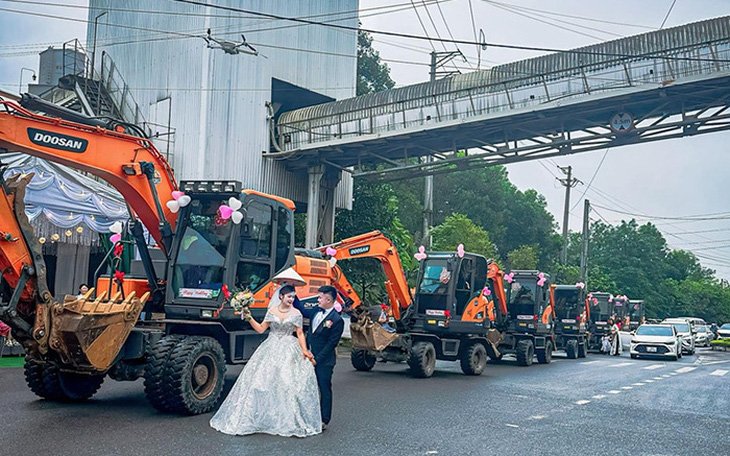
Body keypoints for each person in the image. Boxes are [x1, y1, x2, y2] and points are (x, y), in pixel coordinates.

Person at [210, 285, 321, 437]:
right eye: (289, 296)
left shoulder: (297, 313)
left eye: (293, 297)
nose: (291, 299)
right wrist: (249, 317)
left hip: (289, 347)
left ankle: (284, 418)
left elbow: (300, 333)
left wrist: (304, 350)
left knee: (286, 383)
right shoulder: (272, 311)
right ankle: (258, 416)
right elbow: (261, 329)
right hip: (271, 346)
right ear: (281, 296)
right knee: (261, 382)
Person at [293, 285, 345, 431]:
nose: (318, 299)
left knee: (324, 388)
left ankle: (324, 419)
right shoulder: (316, 310)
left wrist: (317, 359)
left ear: (328, 299)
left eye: (320, 297)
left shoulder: (336, 320)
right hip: (309, 356)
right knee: (307, 387)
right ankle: (307, 416)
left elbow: (331, 344)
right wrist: (292, 291)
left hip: (324, 360)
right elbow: (302, 310)